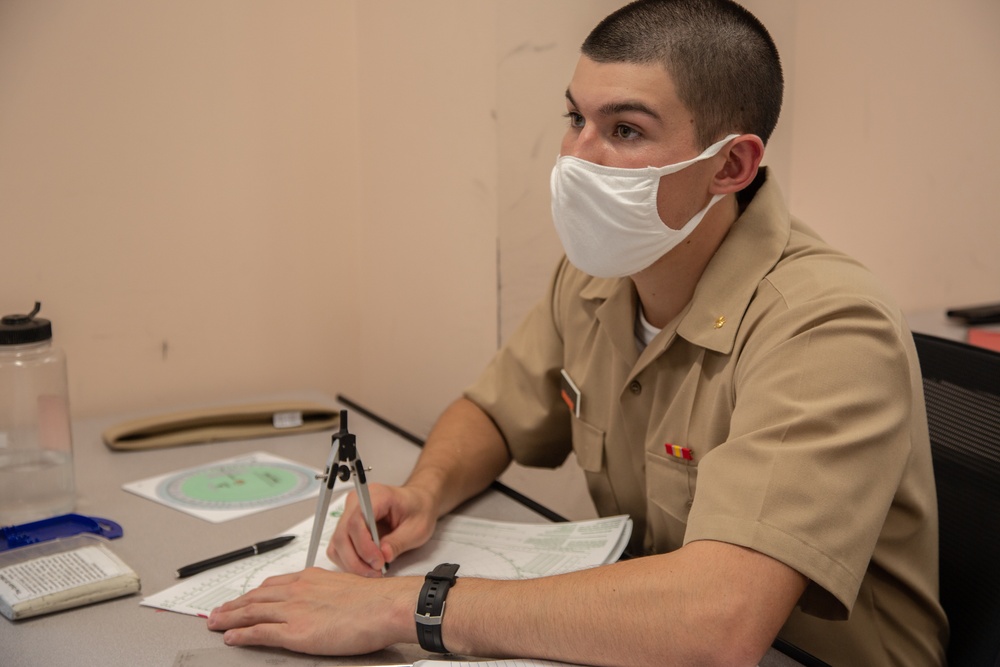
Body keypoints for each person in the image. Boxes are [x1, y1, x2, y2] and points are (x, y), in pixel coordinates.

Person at [207, 1, 948, 664]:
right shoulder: (602, 275)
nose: (577, 157)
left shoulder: (826, 326)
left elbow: (718, 621)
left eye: (624, 130)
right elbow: (495, 411)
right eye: (575, 119)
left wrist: (408, 605)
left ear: (730, 164)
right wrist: (428, 489)